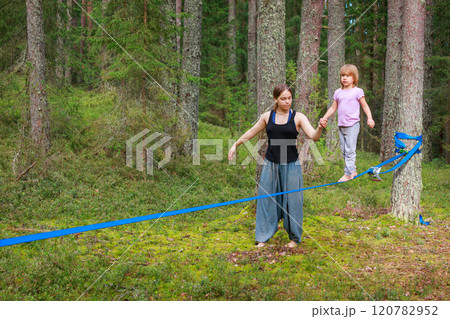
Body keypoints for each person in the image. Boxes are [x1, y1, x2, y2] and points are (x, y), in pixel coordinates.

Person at [228, 84, 325, 248]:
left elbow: (314, 137)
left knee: (293, 201)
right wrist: (235, 145)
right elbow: (251, 132)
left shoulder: (298, 117)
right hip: (270, 165)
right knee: (266, 200)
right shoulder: (268, 117)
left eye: (289, 98)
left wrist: (320, 128)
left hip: (291, 166)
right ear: (275, 99)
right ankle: (262, 237)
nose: (288, 102)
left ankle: (294, 238)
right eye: (283, 99)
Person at [320, 64, 375, 182]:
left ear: (354, 78)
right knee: (344, 151)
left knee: (350, 150)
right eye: (343, 76)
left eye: (348, 76)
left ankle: (348, 174)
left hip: (352, 125)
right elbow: (333, 108)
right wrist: (324, 118)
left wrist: (370, 118)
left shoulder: (357, 91)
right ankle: (352, 171)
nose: (344, 78)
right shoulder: (338, 92)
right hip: (341, 125)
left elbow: (365, 106)